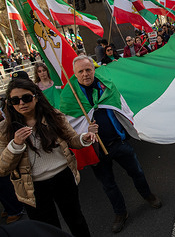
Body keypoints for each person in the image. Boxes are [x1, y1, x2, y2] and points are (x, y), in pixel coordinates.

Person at [59, 55, 162, 233]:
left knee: (136, 172)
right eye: (80, 71)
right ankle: (120, 213)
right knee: (108, 184)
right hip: (95, 149)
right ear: (75, 74)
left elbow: (121, 106)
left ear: (94, 69)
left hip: (118, 142)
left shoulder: (106, 86)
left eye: (88, 70)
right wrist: (86, 131)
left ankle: (148, 195)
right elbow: (68, 126)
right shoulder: (70, 96)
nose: (85, 74)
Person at [0, 78, 96, 236]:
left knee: (76, 220)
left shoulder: (53, 115)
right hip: (33, 186)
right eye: (15, 100)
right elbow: (3, 168)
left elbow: (71, 139)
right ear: (10, 103)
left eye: (26, 97)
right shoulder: (5, 129)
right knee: (48, 229)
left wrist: (83, 138)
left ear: (36, 97)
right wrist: (15, 144)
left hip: (63, 177)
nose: (21, 103)